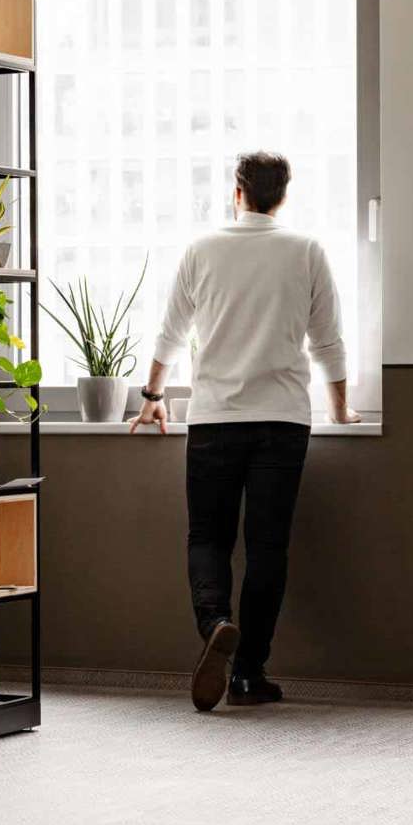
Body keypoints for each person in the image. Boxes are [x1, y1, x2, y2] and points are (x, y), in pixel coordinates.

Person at [130, 151, 359, 712]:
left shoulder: (202, 250)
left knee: (208, 537)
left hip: (213, 419)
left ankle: (216, 623)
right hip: (282, 420)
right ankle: (250, 674)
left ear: (238, 191)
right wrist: (342, 409)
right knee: (267, 548)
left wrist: (154, 399)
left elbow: (169, 335)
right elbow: (327, 341)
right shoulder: (305, 251)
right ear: (282, 194)